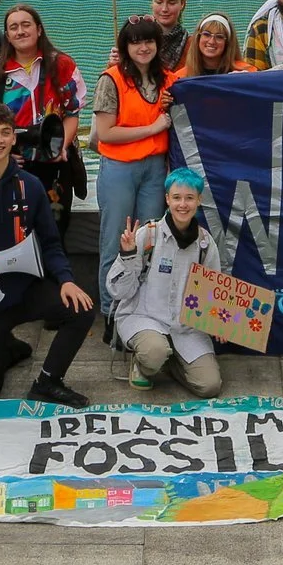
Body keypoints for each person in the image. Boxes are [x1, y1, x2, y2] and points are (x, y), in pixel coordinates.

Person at [0, 104, 95, 407]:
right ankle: (7, 347)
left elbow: (50, 243)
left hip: (25, 288)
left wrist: (66, 280)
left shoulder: (31, 186)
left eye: (5, 133)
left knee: (81, 309)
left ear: (14, 140)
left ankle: (48, 381)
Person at [105, 168, 225, 396]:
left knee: (210, 386)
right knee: (153, 353)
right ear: (167, 198)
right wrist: (128, 255)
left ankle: (170, 363)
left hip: (185, 327)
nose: (183, 204)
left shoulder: (205, 243)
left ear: (199, 200)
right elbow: (118, 291)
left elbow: (214, 289)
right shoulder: (147, 235)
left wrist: (218, 320)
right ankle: (144, 363)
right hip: (145, 316)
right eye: (177, 197)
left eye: (189, 198)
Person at [92, 16, 176, 308]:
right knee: (116, 239)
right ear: (125, 46)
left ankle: (142, 305)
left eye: (149, 40)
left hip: (154, 169)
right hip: (119, 169)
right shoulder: (111, 79)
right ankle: (110, 307)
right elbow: (106, 132)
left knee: (149, 238)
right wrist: (154, 128)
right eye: (135, 41)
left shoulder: (166, 78)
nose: (143, 47)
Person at [0, 5, 83, 218]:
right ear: (7, 36)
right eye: (14, 27)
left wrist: (60, 146)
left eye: (26, 25)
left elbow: (72, 113)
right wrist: (1, 153)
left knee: (54, 227)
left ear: (39, 29)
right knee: (14, 230)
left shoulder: (61, 65)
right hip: (11, 165)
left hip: (54, 164)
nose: (20, 31)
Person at [177, 13, 247, 79]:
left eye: (219, 37)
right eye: (206, 34)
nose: (212, 41)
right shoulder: (180, 78)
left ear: (228, 43)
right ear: (198, 38)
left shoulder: (245, 73)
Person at [148, 0, 192, 71]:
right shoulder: (137, 39)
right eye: (159, 2)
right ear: (152, 3)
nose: (164, 9)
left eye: (171, 3)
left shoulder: (192, 45)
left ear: (182, 4)